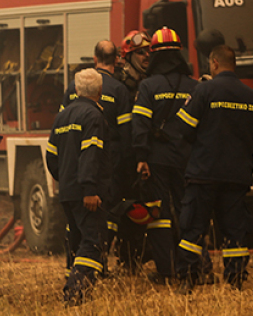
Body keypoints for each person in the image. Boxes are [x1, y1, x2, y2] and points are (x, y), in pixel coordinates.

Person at [168, 45, 253, 292]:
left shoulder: (204, 91)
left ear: (214, 63)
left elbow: (184, 129)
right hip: (237, 175)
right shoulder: (252, 97)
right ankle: (235, 280)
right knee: (235, 231)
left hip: (204, 173)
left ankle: (188, 280)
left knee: (192, 228)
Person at [60, 40, 137, 273]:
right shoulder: (119, 90)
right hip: (106, 164)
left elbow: (61, 129)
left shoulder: (73, 87)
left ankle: (72, 268)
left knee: (75, 222)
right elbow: (126, 135)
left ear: (95, 59)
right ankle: (96, 266)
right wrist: (125, 168)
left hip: (72, 166)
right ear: (116, 60)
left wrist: (62, 170)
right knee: (102, 218)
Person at [131, 27, 200, 283]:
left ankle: (167, 270)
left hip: (157, 161)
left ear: (155, 55)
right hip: (189, 160)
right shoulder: (195, 87)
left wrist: (141, 157)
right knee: (189, 212)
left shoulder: (148, 86)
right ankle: (196, 268)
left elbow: (140, 125)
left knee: (158, 215)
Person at [46, 69, 108, 305]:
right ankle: (75, 292)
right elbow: (90, 154)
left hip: (68, 192)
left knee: (76, 239)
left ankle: (72, 284)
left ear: (76, 90)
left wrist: (64, 179)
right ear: (100, 91)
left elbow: (51, 155)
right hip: (86, 193)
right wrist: (90, 188)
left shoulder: (62, 116)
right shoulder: (93, 116)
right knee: (93, 241)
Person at [116, 30, 152, 96]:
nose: (147, 55)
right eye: (141, 51)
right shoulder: (119, 83)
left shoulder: (153, 81)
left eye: (148, 50)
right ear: (129, 56)